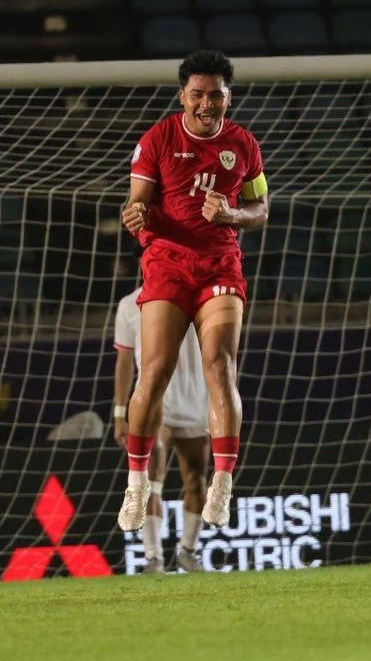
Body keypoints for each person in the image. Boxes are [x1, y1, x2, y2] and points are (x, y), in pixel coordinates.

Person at [117, 50, 268, 532]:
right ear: (183, 95)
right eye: (198, 94)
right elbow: (136, 205)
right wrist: (134, 216)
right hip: (167, 262)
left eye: (216, 95)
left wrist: (232, 216)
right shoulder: (156, 139)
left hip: (221, 261)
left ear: (229, 98)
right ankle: (136, 486)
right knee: (155, 369)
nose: (207, 104)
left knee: (220, 368)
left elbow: (260, 208)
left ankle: (222, 485)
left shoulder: (244, 145)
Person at [113, 286, 211, 573]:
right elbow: (124, 360)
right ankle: (153, 558)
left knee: (197, 482)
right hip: (156, 403)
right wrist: (120, 414)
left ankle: (188, 551)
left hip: (195, 402)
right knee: (150, 481)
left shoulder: (201, 297)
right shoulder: (130, 304)